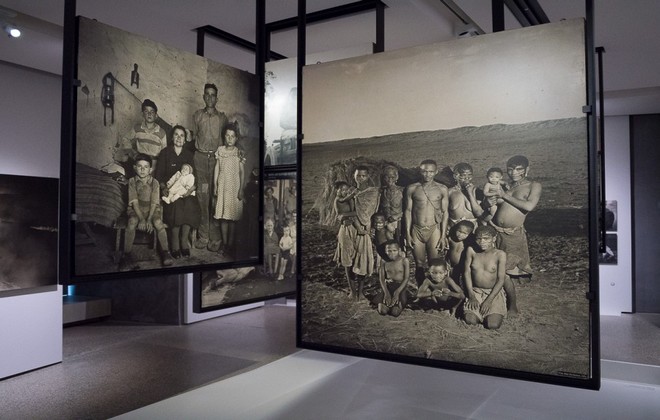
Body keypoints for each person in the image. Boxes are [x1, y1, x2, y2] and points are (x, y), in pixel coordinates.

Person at [490, 155, 541, 277]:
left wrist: (504, 195)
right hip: (496, 232)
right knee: (497, 268)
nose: (514, 173)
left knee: (513, 269)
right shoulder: (509, 186)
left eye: (519, 169)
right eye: (510, 169)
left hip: (513, 234)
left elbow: (529, 206)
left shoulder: (533, 185)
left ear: (527, 169)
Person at [154, 125, 201, 259]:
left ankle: (183, 242)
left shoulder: (188, 155)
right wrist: (164, 188)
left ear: (185, 139)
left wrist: (190, 190)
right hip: (171, 191)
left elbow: (195, 177)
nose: (179, 138)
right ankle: (175, 244)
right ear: (172, 137)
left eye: (182, 135)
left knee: (191, 204)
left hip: (186, 190)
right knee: (177, 205)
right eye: (176, 135)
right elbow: (159, 175)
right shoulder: (165, 153)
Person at [191, 83, 228, 252]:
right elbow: (192, 137)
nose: (210, 97)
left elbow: (228, 140)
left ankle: (215, 236)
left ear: (217, 98)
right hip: (200, 160)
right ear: (203, 96)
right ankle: (203, 235)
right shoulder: (197, 115)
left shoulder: (222, 118)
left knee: (215, 197)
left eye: (213, 95)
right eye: (207, 94)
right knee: (202, 196)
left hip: (216, 160)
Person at [121, 154, 173, 267]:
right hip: (136, 210)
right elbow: (134, 202)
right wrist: (141, 219)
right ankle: (126, 255)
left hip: (152, 210)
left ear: (150, 169)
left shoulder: (155, 182)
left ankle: (165, 252)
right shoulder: (131, 181)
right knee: (131, 222)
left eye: (146, 167)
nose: (142, 169)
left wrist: (148, 219)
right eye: (139, 166)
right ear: (135, 167)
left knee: (159, 223)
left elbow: (154, 202)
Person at [405, 159, 449, 287]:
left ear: (436, 172)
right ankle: (422, 291)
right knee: (419, 263)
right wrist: (407, 233)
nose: (427, 175)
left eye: (430, 172)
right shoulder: (412, 188)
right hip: (416, 229)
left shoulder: (442, 189)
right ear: (420, 171)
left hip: (434, 229)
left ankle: (434, 293)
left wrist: (443, 235)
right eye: (424, 171)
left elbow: (445, 212)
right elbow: (407, 211)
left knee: (433, 263)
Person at [463, 225, 507, 329]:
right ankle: (477, 311)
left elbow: (501, 279)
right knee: (470, 321)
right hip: (476, 291)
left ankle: (499, 308)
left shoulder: (500, 254)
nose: (482, 242)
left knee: (493, 325)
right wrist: (471, 295)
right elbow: (466, 273)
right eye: (479, 238)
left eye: (486, 239)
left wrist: (489, 300)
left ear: (494, 238)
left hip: (493, 292)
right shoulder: (471, 251)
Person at [347, 166, 380, 300]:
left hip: (365, 229)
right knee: (348, 260)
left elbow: (371, 212)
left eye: (363, 176)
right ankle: (352, 290)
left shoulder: (373, 192)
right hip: (350, 228)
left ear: (368, 177)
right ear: (354, 177)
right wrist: (355, 223)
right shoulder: (349, 192)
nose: (360, 178)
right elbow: (344, 211)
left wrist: (366, 227)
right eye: (358, 176)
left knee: (363, 260)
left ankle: (360, 291)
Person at [213, 121, 245, 256]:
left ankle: (230, 245)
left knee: (232, 219)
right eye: (227, 136)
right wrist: (215, 185)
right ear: (224, 137)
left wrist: (241, 189)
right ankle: (224, 244)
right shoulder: (220, 151)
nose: (230, 139)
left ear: (236, 138)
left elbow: (242, 173)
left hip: (234, 188)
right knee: (223, 218)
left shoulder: (239, 153)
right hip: (223, 187)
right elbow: (217, 169)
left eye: (233, 136)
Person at [116, 99, 167, 177]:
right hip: (140, 164)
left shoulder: (162, 132)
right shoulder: (137, 128)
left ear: (156, 115)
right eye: (146, 111)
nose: (149, 114)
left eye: (152, 112)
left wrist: (159, 168)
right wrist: (132, 153)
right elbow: (125, 139)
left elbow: (164, 152)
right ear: (142, 114)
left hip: (154, 166)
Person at [374, 240, 410, 317]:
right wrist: (386, 293)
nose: (392, 253)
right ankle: (387, 303)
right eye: (389, 251)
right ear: (385, 251)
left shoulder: (404, 261)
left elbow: (406, 278)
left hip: (400, 287)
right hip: (388, 286)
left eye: (394, 251)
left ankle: (396, 304)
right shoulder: (383, 261)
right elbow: (382, 278)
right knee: (382, 311)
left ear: (399, 250)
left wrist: (397, 292)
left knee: (395, 312)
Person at [447, 163, 484, 229]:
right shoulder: (449, 192)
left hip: (472, 229)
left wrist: (470, 193)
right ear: (456, 176)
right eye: (463, 175)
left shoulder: (478, 191)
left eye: (470, 175)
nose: (467, 178)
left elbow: (479, 213)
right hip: (454, 228)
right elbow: (443, 213)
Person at [379, 165, 404, 245]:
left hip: (400, 223)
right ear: (384, 178)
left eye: (392, 177)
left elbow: (409, 208)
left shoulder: (402, 191)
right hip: (386, 224)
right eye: (387, 177)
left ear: (397, 178)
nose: (390, 179)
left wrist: (397, 216)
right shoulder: (382, 192)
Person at [446, 220, 475, 286]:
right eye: (459, 231)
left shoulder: (468, 243)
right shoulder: (451, 239)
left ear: (470, 234)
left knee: (464, 282)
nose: (460, 235)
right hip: (451, 265)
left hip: (463, 266)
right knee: (453, 281)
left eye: (464, 233)